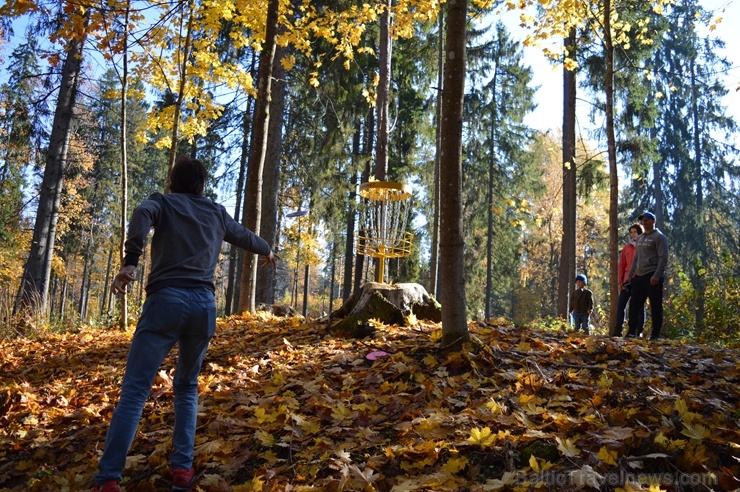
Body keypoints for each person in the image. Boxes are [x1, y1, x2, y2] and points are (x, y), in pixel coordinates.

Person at [93, 156, 278, 492]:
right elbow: (244, 236)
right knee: (187, 388)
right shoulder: (216, 212)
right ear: (202, 185)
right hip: (203, 308)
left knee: (135, 391)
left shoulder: (160, 202)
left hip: (165, 301)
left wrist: (131, 261)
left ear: (172, 181)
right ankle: (182, 470)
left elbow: (140, 215)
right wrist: (267, 250)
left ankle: (107, 479)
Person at [625, 211, 668, 340]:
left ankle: (655, 334)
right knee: (634, 305)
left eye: (647, 220)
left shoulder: (659, 237)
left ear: (653, 221)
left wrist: (657, 275)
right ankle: (632, 332)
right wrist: (630, 275)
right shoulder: (641, 238)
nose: (645, 222)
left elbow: (663, 258)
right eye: (643, 220)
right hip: (640, 275)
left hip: (653, 275)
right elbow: (636, 259)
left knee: (655, 306)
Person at [613, 223, 644, 336]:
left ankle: (638, 331)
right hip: (627, 280)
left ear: (640, 233)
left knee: (639, 307)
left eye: (635, 232)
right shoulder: (626, 248)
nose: (632, 234)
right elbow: (621, 265)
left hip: (639, 279)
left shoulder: (644, 246)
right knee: (621, 304)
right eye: (631, 232)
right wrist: (620, 281)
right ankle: (618, 330)